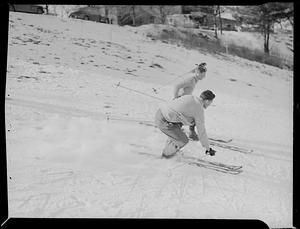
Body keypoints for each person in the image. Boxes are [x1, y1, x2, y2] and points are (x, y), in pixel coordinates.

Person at [155, 90, 216, 158]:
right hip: (164, 121)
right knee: (183, 141)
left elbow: (176, 100)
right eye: (211, 102)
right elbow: (201, 131)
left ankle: (171, 149)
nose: (210, 104)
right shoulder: (199, 110)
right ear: (207, 101)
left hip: (160, 113)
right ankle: (165, 156)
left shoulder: (189, 97)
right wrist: (208, 149)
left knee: (182, 128)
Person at [173, 62, 207, 141]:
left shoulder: (195, 78)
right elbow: (177, 86)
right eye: (203, 75)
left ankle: (189, 132)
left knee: (194, 113)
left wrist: (200, 66)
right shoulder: (191, 79)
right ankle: (190, 132)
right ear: (198, 73)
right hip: (181, 101)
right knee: (194, 113)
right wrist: (175, 97)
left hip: (186, 101)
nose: (204, 77)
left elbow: (194, 71)